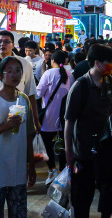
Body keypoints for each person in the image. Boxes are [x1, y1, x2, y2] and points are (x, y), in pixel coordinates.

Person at [65, 44, 112, 218]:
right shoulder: (81, 86)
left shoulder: (110, 82)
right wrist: (69, 152)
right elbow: (69, 121)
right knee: (82, 196)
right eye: (108, 62)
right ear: (97, 63)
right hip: (83, 150)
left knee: (107, 191)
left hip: (105, 148)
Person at [0, 56, 36, 217]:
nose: (15, 75)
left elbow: (28, 136)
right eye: (10, 71)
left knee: (19, 213)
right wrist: (5, 126)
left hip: (17, 170)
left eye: (18, 71)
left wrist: (31, 166)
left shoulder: (23, 99)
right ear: (0, 75)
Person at [0, 30, 41, 132]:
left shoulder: (24, 64)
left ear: (12, 45)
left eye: (6, 42)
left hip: (19, 115)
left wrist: (35, 121)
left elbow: (31, 94)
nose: (2, 44)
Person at [37, 49, 72, 184]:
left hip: (49, 117)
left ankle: (52, 169)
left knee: (47, 145)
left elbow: (39, 93)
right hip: (64, 119)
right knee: (63, 145)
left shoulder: (48, 73)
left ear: (53, 61)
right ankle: (63, 173)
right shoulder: (70, 75)